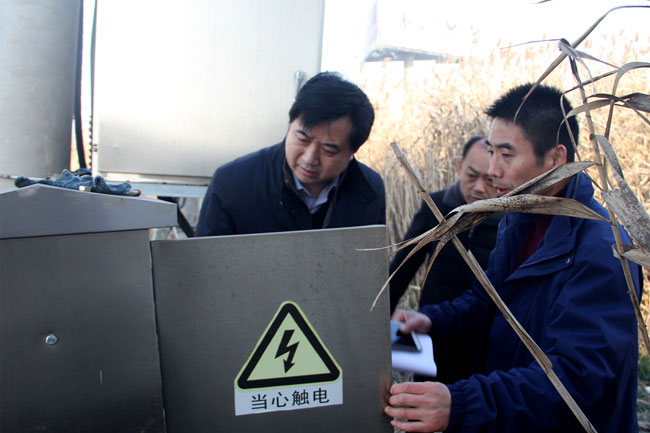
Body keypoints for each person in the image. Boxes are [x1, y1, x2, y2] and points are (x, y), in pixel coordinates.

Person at [385, 82, 642, 433]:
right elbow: (488, 302)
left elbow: (576, 379)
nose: (493, 170)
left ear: (555, 158)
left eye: (506, 155)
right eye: (491, 152)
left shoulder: (603, 249)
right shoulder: (517, 220)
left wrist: (462, 404)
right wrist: (431, 320)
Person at [195, 71, 385, 236]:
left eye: (328, 150)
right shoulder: (232, 183)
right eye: (302, 138)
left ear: (353, 152)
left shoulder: (369, 190)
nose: (309, 158)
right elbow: (207, 262)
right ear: (290, 124)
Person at [389, 136, 501, 384]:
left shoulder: (510, 220)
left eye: (489, 180)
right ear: (459, 167)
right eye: (471, 175)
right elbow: (401, 269)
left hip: (483, 345)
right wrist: (376, 322)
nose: (479, 187)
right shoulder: (436, 207)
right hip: (431, 334)